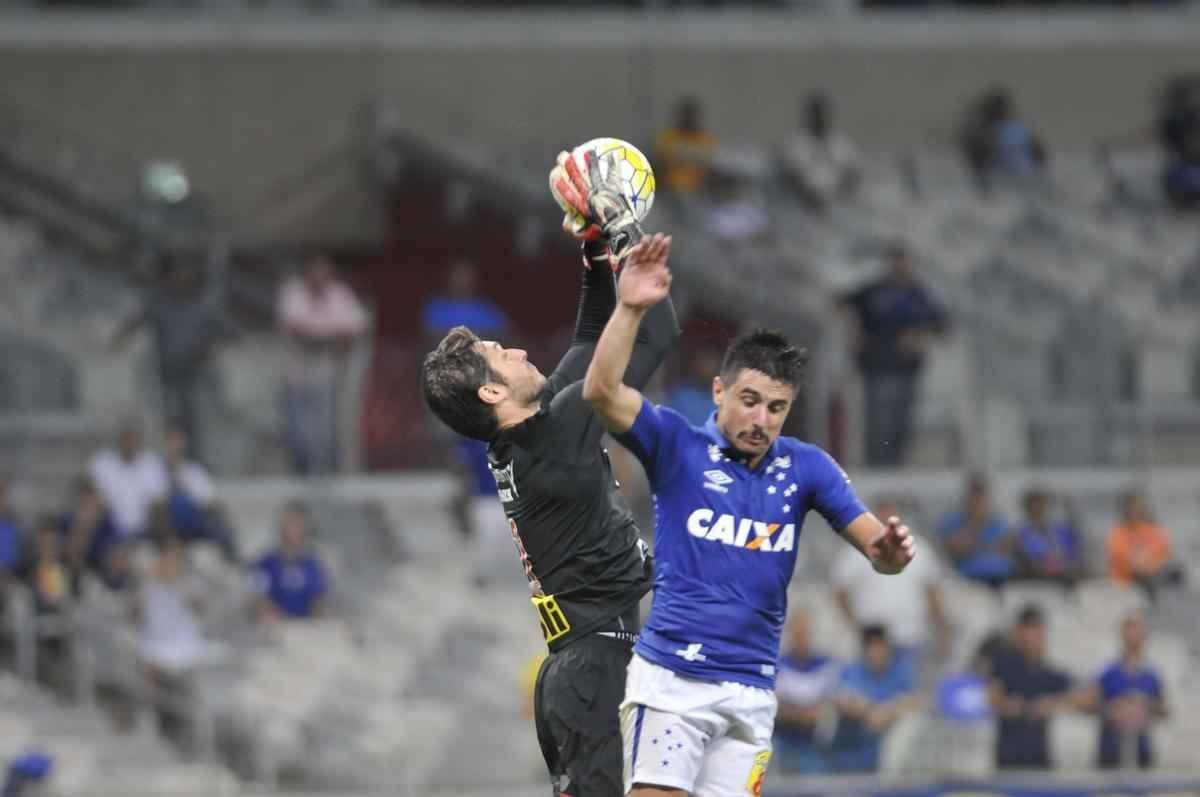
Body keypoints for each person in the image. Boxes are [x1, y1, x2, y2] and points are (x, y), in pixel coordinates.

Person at [580, 237, 916, 797]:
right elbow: (601, 391)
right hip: (672, 683)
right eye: (750, 400)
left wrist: (889, 555)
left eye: (777, 407)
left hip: (752, 692)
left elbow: (877, 549)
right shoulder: (676, 444)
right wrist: (631, 307)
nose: (761, 418)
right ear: (719, 391)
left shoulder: (808, 468)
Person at [420, 150, 677, 797]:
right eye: (498, 354)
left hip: (585, 668)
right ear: (489, 395)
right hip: (594, 671)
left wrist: (592, 252)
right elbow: (656, 333)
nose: (517, 348)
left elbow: (594, 333)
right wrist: (620, 227)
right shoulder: (554, 439)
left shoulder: (532, 435)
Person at [111, 258, 234, 465]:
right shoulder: (160, 304)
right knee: (169, 420)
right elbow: (134, 323)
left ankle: (196, 463)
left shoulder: (202, 306)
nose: (181, 279)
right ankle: (171, 461)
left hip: (195, 375)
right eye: (177, 275)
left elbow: (228, 332)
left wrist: (210, 348)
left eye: (186, 275)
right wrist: (117, 339)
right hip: (165, 375)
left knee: (194, 422)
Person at [841, 243, 947, 467]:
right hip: (876, 364)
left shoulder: (919, 294)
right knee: (878, 421)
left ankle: (897, 464)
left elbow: (941, 323)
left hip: (908, 367)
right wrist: (854, 331)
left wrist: (920, 334)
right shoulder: (874, 291)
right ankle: (877, 465)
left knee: (902, 421)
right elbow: (843, 304)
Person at [833, 496, 950, 680]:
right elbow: (840, 590)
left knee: (908, 691)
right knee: (872, 690)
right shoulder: (857, 549)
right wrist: (855, 624)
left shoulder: (919, 548)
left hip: (910, 635)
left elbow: (932, 591)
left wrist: (941, 628)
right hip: (873, 639)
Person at [276, 255, 369, 475]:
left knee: (327, 429)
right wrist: (332, 337)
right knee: (298, 431)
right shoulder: (293, 292)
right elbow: (299, 334)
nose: (320, 277)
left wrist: (322, 338)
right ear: (306, 274)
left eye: (325, 272)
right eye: (315, 272)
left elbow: (356, 329)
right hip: (297, 372)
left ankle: (330, 473)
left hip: (330, 371)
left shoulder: (340, 293)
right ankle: (299, 475)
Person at [989, 605, 1075, 770]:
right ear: (1019, 632)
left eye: (1039, 631)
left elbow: (1080, 696)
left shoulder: (1047, 671)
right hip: (1009, 756)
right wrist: (1009, 705)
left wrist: (1051, 703)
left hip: (1040, 757)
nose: (1035, 637)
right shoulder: (1004, 664)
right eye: (1030, 630)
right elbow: (992, 697)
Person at [1081, 613, 1168, 770]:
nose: (1133, 639)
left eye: (1137, 633)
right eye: (1129, 634)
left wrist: (1145, 706)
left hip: (1140, 750)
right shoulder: (1107, 673)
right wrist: (1113, 709)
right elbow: (1089, 705)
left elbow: (1163, 710)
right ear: (1122, 636)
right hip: (1110, 750)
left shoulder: (1152, 675)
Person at [829, 625, 919, 773]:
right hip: (850, 755)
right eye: (872, 647)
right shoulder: (852, 670)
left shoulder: (901, 672)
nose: (877, 652)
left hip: (888, 758)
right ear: (865, 649)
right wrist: (868, 710)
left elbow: (914, 701)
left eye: (881, 646)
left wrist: (888, 711)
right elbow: (842, 700)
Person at [773, 609, 840, 775]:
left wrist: (797, 711)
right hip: (782, 742)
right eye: (797, 632)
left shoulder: (826, 665)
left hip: (816, 745)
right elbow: (775, 707)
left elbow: (831, 705)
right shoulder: (778, 665)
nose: (801, 637)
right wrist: (803, 714)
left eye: (805, 632)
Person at [162, 427, 238, 563]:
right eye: (171, 442)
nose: (174, 447)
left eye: (177, 442)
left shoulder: (194, 470)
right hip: (169, 521)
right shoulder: (154, 470)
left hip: (194, 520)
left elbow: (209, 500)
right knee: (178, 502)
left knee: (215, 516)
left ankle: (231, 557)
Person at [780, 92, 861, 212]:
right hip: (802, 208)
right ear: (809, 115)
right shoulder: (795, 143)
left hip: (836, 206)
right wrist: (811, 197)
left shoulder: (842, 142)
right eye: (816, 113)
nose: (820, 117)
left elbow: (853, 174)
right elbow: (790, 176)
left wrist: (836, 196)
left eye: (823, 113)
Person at [88, 422, 169, 542]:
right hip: (108, 524)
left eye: (133, 441)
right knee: (88, 509)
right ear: (120, 442)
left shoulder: (151, 463)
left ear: (139, 443)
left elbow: (159, 499)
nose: (130, 445)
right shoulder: (103, 462)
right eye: (126, 440)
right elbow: (88, 487)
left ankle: (162, 546)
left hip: (146, 528)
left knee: (162, 511)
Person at [250, 503, 328, 623]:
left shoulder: (313, 564)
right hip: (275, 626)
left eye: (298, 526)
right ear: (281, 529)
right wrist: (270, 613)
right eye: (289, 526)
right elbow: (258, 596)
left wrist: (316, 617)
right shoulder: (266, 563)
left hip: (306, 626)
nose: (293, 531)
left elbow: (319, 598)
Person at [937, 474, 1017, 588]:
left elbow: (1008, 547)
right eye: (973, 496)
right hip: (970, 579)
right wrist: (976, 523)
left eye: (980, 496)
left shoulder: (998, 520)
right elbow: (956, 549)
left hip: (1003, 577)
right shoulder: (953, 521)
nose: (977, 500)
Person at [1107, 490, 1183, 600]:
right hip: (1128, 583)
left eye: (1138, 506)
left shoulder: (1154, 530)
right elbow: (1120, 559)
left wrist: (1151, 564)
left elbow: (1164, 554)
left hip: (1154, 576)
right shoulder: (1118, 533)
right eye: (1132, 507)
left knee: (1175, 574)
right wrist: (1139, 564)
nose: (1136, 511)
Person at [421, 261, 510, 341]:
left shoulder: (486, 308)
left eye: (467, 276)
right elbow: (431, 338)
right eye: (459, 275)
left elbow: (504, 335)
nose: (463, 281)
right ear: (449, 278)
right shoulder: (436, 308)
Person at [1014, 487, 1085, 585]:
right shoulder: (1022, 535)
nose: (1039, 513)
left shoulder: (1062, 531)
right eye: (1034, 511)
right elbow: (1026, 560)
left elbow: (1074, 553)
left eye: (1041, 508)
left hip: (1064, 578)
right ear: (1027, 511)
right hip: (1036, 579)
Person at [656, 97, 718, 196]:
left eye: (691, 116)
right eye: (685, 116)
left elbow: (708, 164)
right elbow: (663, 161)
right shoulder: (669, 138)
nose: (688, 120)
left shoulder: (705, 140)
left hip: (699, 191)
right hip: (670, 191)